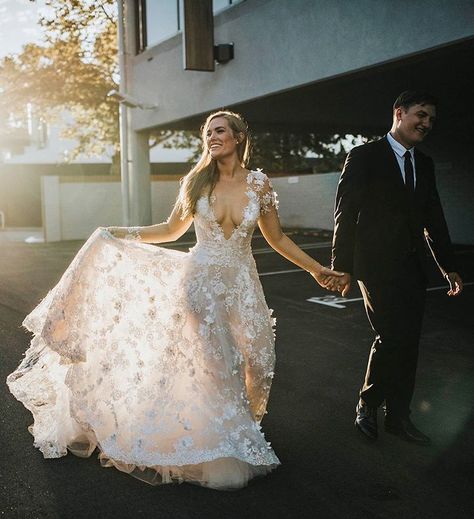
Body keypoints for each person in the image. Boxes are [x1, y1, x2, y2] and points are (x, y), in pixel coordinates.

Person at [7, 110, 342, 490]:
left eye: (219, 131)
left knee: (260, 361)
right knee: (221, 365)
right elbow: (170, 231)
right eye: (208, 133)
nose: (212, 137)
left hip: (243, 285)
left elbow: (277, 238)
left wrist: (316, 269)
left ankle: (240, 428)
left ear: (238, 137)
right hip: (198, 286)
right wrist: (117, 232)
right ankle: (225, 445)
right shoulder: (197, 183)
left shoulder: (259, 185)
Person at [330, 91, 463, 445]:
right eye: (421, 115)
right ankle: (367, 404)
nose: (426, 124)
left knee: (409, 342)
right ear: (399, 113)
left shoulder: (426, 164)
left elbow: (433, 217)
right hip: (374, 265)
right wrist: (341, 266)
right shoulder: (364, 156)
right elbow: (346, 212)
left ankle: (399, 417)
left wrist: (447, 266)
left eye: (431, 120)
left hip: (413, 267)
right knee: (391, 336)